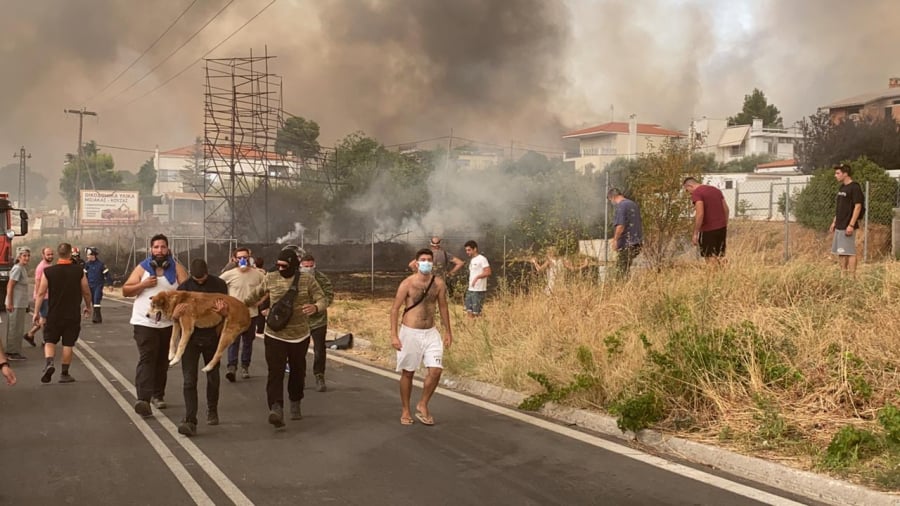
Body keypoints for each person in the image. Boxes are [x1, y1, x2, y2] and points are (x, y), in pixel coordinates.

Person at [244, 248, 326, 428]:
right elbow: (253, 296)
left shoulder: (307, 280)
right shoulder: (271, 278)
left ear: (294, 265)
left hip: (299, 336)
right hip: (274, 334)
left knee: (297, 371)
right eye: (278, 265)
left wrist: (316, 307)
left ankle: (295, 402)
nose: (280, 269)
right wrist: (235, 306)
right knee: (275, 372)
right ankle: (276, 408)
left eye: (284, 266)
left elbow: (322, 298)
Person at [122, 233, 189, 416]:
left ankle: (158, 395)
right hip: (144, 322)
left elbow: (189, 293)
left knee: (162, 360)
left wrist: (179, 310)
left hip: (169, 324)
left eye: (163, 247)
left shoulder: (177, 268)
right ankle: (143, 399)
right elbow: (126, 291)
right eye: (156, 247)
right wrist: (142, 285)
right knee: (147, 358)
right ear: (151, 249)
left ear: (168, 249)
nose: (160, 250)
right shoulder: (142, 268)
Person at [390, 248, 452, 426]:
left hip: (430, 332)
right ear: (416, 263)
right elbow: (394, 309)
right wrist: (394, 335)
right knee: (408, 372)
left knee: (436, 370)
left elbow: (443, 307)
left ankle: (423, 403)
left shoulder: (438, 283)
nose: (426, 262)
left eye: (429, 260)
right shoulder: (407, 284)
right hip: (410, 332)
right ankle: (405, 410)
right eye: (423, 259)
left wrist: (448, 331)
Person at [173, 259, 229, 437]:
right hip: (190, 338)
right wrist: (174, 314)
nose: (200, 282)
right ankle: (190, 419)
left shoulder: (219, 284)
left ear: (207, 272)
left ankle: (212, 409)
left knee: (212, 376)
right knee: (189, 380)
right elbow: (174, 316)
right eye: (197, 280)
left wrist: (223, 313)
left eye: (203, 279)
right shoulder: (183, 287)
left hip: (213, 336)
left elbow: (228, 311)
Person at [33, 243, 92, 384]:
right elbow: (86, 291)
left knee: (49, 340)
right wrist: (88, 306)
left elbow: (41, 292)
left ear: (58, 254)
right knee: (68, 344)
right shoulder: (79, 271)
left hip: (54, 313)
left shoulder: (49, 272)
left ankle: (49, 362)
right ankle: (64, 374)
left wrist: (36, 312)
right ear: (70, 254)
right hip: (72, 314)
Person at [220, 247, 265, 381]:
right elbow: (217, 286)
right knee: (233, 341)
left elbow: (268, 288)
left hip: (251, 314)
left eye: (245, 257)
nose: (243, 260)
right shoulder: (229, 274)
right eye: (239, 258)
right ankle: (232, 367)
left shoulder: (258, 274)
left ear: (250, 257)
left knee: (248, 342)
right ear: (234, 259)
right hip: (233, 315)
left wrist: (260, 301)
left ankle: (245, 365)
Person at [300, 253, 333, 392]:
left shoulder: (322, 279)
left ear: (315, 265)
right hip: (300, 321)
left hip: (318, 320)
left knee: (319, 350)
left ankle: (319, 375)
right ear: (300, 266)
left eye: (311, 266)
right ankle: (299, 377)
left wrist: (316, 307)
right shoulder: (295, 278)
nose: (308, 268)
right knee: (299, 351)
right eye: (305, 266)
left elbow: (329, 297)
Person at [682, 177, 729, 262]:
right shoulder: (715, 190)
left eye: (687, 190)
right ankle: (722, 274)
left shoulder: (697, 193)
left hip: (708, 230)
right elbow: (726, 209)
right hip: (721, 228)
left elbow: (700, 214)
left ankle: (713, 275)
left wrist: (695, 233)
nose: (688, 193)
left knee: (710, 256)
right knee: (720, 256)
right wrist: (724, 224)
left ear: (689, 186)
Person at [829, 164, 864, 277]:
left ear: (845, 174)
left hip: (848, 225)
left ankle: (852, 277)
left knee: (849, 252)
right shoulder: (842, 188)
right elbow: (839, 207)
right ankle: (843, 275)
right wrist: (834, 222)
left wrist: (851, 225)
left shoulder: (855, 187)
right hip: (839, 224)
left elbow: (858, 207)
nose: (836, 176)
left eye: (838, 173)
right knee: (841, 251)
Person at [608, 188, 644, 278]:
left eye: (610, 200)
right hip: (637, 242)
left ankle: (622, 289)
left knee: (621, 271)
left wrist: (615, 240)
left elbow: (620, 225)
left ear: (612, 197)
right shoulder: (633, 204)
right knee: (625, 268)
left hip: (627, 244)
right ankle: (627, 289)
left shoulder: (621, 206)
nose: (612, 203)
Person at [5, 247, 32, 360]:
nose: (26, 258)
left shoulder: (22, 268)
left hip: (20, 303)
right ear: (19, 257)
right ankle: (12, 352)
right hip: (15, 304)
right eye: (24, 255)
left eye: (28, 256)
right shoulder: (17, 268)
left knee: (18, 328)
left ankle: (15, 351)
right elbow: (10, 286)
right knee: (14, 328)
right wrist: (10, 302)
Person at [24, 246, 54, 346]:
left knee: (46, 318)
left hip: (48, 296)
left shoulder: (49, 265)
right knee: (44, 319)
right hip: (43, 297)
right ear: (43, 255)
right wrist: (38, 297)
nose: (50, 256)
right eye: (48, 254)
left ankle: (30, 334)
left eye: (51, 254)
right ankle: (46, 340)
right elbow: (37, 283)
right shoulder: (41, 267)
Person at [83, 247, 112, 323]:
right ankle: (95, 316)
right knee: (92, 300)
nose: (87, 256)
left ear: (93, 255)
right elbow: (84, 275)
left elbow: (107, 274)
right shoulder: (87, 265)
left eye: (89, 255)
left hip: (98, 285)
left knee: (96, 299)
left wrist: (110, 284)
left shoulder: (101, 265)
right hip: (89, 286)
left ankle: (97, 317)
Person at [464, 240, 492, 318]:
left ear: (475, 249)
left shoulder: (482, 259)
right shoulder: (472, 260)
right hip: (471, 289)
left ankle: (480, 325)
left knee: (476, 312)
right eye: (466, 250)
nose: (467, 252)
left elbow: (488, 272)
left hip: (479, 289)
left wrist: (477, 277)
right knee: (468, 310)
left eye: (469, 250)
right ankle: (470, 328)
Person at [254, 257, 268, 338]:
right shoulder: (265, 273)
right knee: (261, 313)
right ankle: (260, 329)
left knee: (255, 311)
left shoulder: (254, 273)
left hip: (255, 293)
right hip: (263, 294)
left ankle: (255, 327)